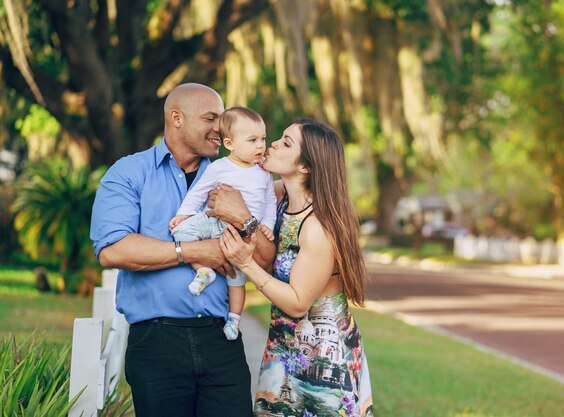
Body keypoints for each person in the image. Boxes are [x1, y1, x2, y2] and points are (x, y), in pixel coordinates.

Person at [90, 83, 274, 417]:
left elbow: (266, 260)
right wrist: (194, 251)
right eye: (210, 118)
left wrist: (243, 216)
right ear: (176, 118)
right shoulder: (128, 173)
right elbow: (113, 250)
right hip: (157, 341)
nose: (221, 127)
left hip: (223, 340)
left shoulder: (238, 175)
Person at [219, 119, 375, 417]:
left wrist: (245, 264)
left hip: (322, 357)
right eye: (279, 138)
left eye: (286, 143)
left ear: (305, 166)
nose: (273, 143)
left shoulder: (316, 226)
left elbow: (297, 302)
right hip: (284, 348)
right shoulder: (279, 198)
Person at [169, 106, 276, 340]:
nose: (260, 145)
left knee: (236, 280)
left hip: (241, 235)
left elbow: (270, 202)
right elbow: (199, 192)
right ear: (229, 144)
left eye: (263, 139)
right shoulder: (219, 168)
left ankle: (234, 319)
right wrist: (184, 213)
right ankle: (203, 270)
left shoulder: (264, 173)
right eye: (252, 140)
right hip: (214, 224)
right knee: (180, 232)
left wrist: (266, 224)